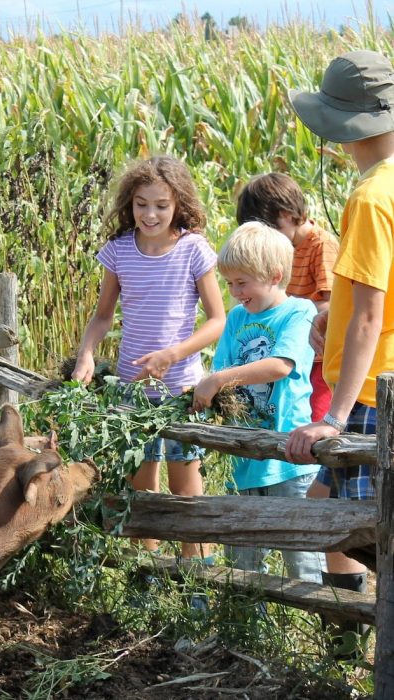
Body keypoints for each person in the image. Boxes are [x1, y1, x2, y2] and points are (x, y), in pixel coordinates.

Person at [71, 155, 225, 559]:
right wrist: (86, 354)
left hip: (181, 393)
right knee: (141, 492)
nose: (150, 214)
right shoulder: (119, 251)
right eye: (142, 204)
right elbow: (103, 316)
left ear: (178, 204)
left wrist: (174, 354)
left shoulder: (193, 249)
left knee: (186, 492)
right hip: (132, 395)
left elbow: (217, 320)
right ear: (130, 204)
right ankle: (149, 580)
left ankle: (196, 585)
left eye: (161, 205)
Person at [284, 50, 394, 604]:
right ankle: (347, 643)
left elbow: (372, 313)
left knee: (365, 535)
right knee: (325, 510)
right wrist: (335, 310)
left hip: (374, 392)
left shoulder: (372, 198)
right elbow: (371, 296)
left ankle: (363, 654)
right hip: (379, 378)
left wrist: (337, 417)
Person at [192, 222, 325, 583]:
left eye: (242, 282)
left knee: (302, 556)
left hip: (289, 456)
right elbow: (221, 366)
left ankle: (320, 629)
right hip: (246, 454)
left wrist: (218, 380)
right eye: (230, 283)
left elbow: (280, 365)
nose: (235, 293)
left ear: (274, 276)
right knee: (243, 559)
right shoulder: (236, 318)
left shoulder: (298, 312)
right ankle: (245, 630)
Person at [236, 172, 339, 423]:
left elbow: (328, 304)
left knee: (314, 420)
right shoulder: (284, 248)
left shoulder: (321, 245)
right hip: (286, 351)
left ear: (287, 215)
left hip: (318, 359)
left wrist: (286, 313)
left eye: (271, 229)